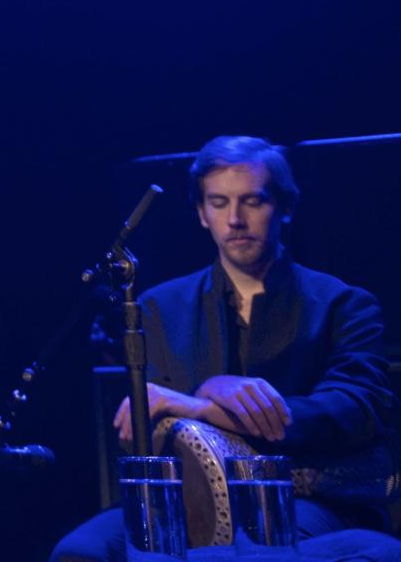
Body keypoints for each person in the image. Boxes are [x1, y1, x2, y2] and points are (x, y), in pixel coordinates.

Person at [50, 135, 395, 560]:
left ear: (284, 207)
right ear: (201, 213)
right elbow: (153, 426)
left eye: (252, 201)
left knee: (247, 548)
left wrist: (204, 403)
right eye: (218, 203)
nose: (234, 219)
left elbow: (353, 408)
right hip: (188, 493)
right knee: (80, 552)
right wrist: (188, 404)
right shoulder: (158, 307)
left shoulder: (343, 303)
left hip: (306, 492)